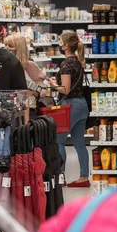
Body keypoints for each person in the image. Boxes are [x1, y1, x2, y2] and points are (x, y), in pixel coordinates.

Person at [47, 31, 89, 187]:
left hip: (70, 106)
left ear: (65, 45)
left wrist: (52, 83)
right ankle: (84, 177)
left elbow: (65, 89)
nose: (58, 44)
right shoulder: (78, 61)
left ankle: (61, 177)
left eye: (59, 41)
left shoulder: (66, 64)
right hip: (82, 105)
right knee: (79, 144)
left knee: (59, 141)